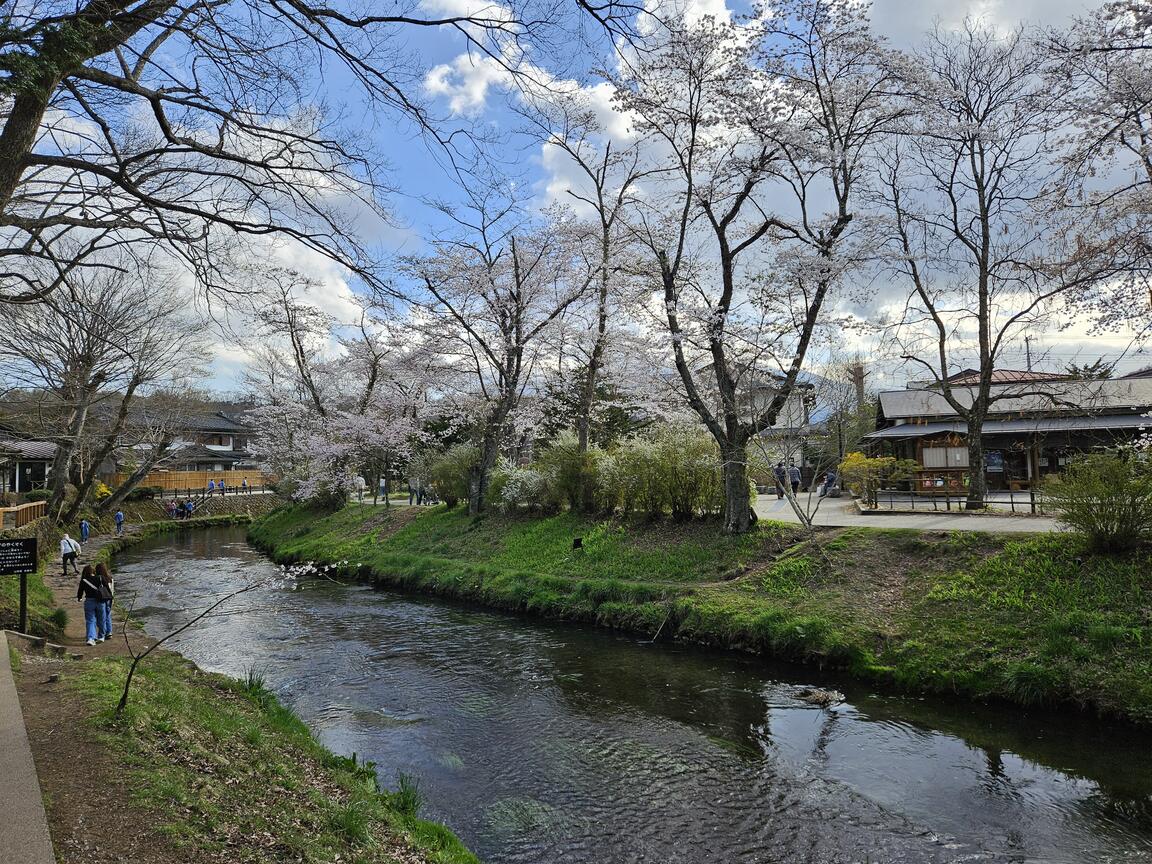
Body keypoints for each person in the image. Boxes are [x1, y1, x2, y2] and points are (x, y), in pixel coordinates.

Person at [76, 565, 104, 646]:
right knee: (101, 619)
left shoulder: (84, 580)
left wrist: (79, 598)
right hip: (100, 601)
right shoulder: (99, 578)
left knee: (90, 620)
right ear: (93, 571)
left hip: (89, 601)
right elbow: (106, 588)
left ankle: (91, 638)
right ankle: (101, 636)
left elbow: (80, 591)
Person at [95, 562, 115, 641]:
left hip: (102, 599)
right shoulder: (110, 578)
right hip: (109, 598)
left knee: (101, 617)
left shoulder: (98, 578)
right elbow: (112, 589)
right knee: (108, 615)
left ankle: (103, 633)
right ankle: (109, 632)